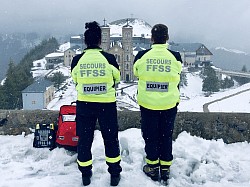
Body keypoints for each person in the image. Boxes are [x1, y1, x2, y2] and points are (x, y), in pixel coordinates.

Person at [71, 21, 122, 186]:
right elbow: (117, 79)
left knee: (84, 140)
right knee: (111, 139)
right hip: (106, 105)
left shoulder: (77, 60)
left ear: (85, 41)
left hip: (85, 104)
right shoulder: (109, 58)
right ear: (100, 40)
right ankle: (114, 174)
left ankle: (85, 174)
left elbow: (75, 80)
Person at [133, 23, 182, 184]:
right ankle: (166, 167)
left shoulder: (141, 56)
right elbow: (178, 71)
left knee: (150, 135)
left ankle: (152, 167)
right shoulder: (175, 56)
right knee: (166, 135)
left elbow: (136, 72)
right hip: (169, 104)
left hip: (148, 105)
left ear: (151, 38)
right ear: (167, 38)